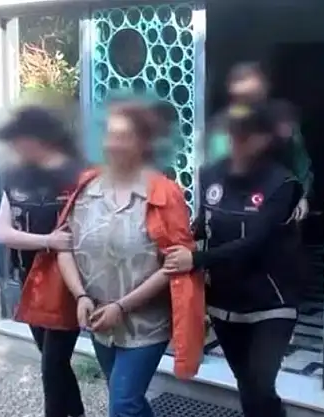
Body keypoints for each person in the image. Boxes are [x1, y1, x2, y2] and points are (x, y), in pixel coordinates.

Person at [55, 98, 205, 417]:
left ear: (143, 143)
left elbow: (174, 263)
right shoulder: (86, 187)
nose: (114, 143)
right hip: (98, 318)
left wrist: (121, 307)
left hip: (145, 324)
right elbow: (63, 245)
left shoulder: (164, 193)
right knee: (125, 399)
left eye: (124, 136)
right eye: (111, 135)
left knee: (123, 403)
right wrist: (80, 296)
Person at [164, 102, 304, 417]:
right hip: (225, 302)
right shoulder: (210, 174)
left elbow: (255, 241)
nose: (236, 141)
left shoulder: (282, 184)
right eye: (232, 133)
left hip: (272, 301)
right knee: (247, 384)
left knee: (260, 384)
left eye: (246, 134)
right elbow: (204, 224)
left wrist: (196, 259)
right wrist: (174, 235)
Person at [0, 103, 86, 417]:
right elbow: (3, 233)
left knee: (52, 364)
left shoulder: (76, 178)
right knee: (53, 360)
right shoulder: (15, 179)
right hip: (29, 282)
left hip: (65, 283)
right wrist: (47, 241)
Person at [205, 62, 312, 221]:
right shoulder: (221, 127)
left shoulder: (282, 122)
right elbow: (214, 171)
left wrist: (302, 196)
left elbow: (299, 164)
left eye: (253, 97)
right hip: (232, 205)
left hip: (275, 202)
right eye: (241, 98)